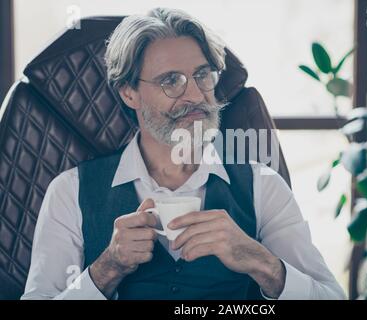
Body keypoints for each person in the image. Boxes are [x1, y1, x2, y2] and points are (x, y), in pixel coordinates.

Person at [21, 7, 346, 300]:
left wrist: (261, 262)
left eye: (202, 74)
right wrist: (107, 268)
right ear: (129, 92)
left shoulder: (263, 185)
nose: (195, 94)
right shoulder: (70, 192)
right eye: (171, 81)